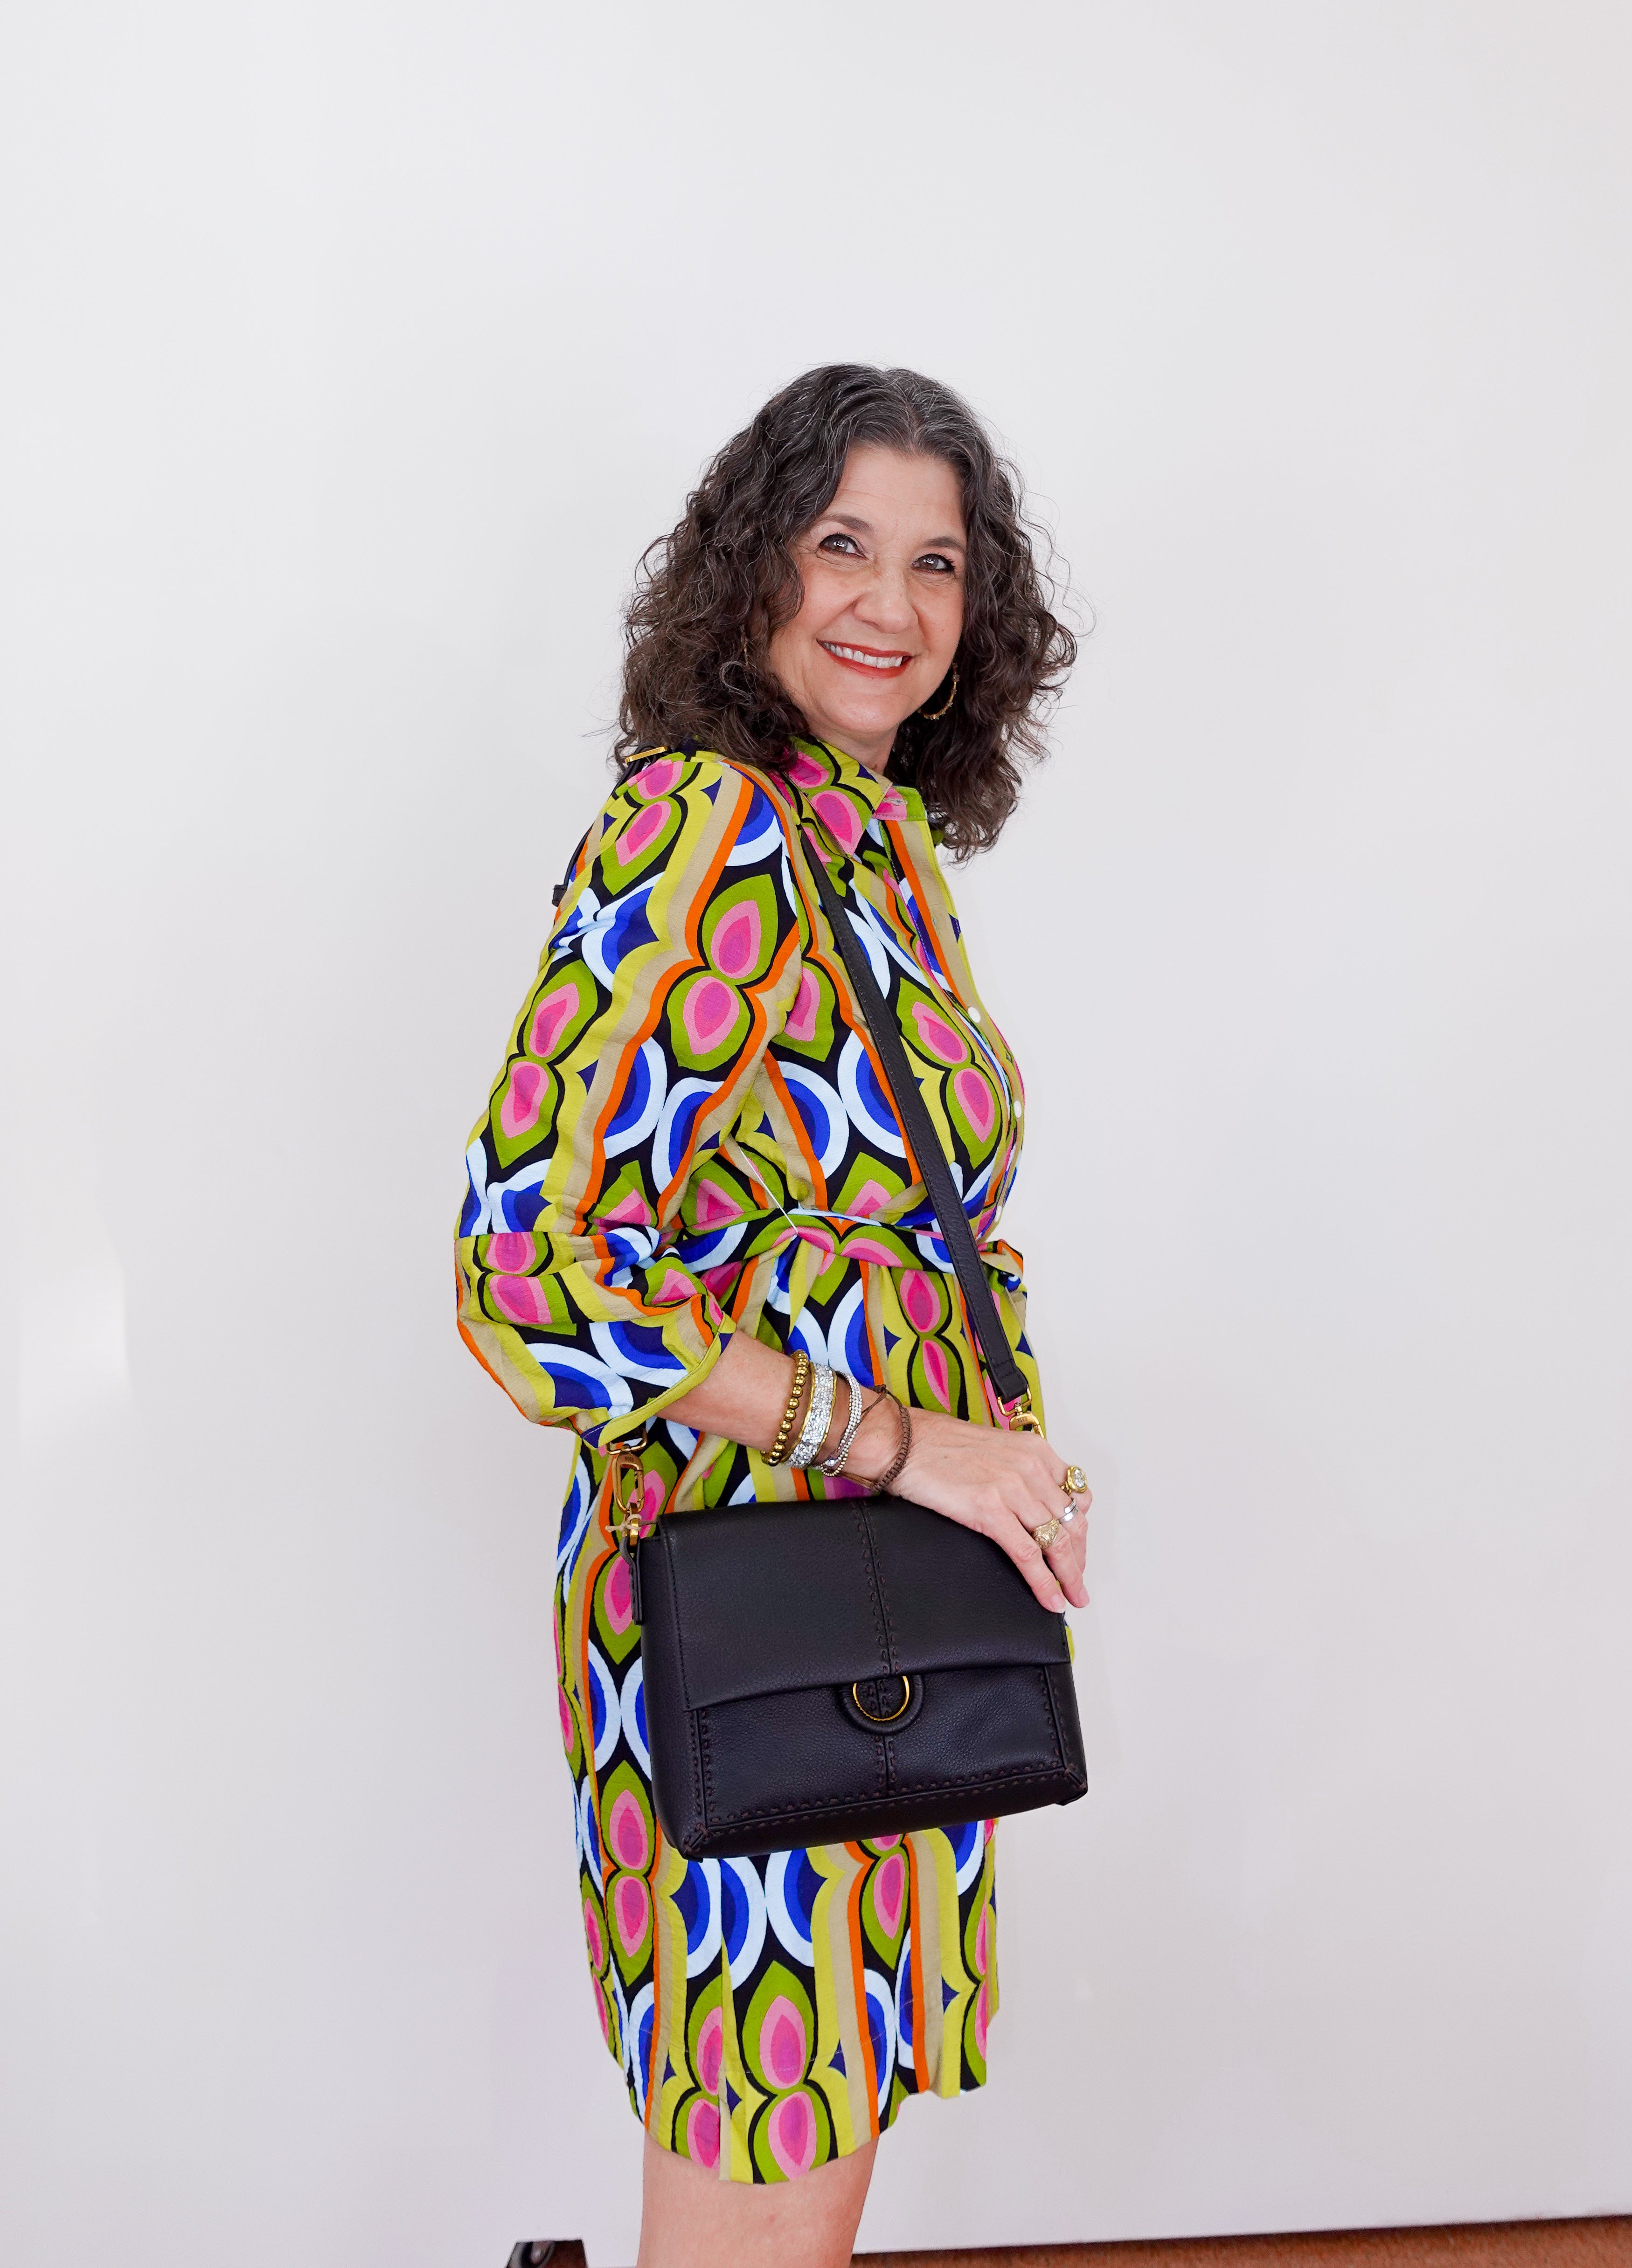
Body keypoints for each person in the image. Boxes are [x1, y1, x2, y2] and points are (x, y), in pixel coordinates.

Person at [456, 364, 1091, 2268]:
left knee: (811, 2164)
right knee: (759, 2151)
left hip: (895, 1595)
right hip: (754, 1594)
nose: (888, 602)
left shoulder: (873, 849)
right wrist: (897, 1437)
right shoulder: (701, 833)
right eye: (841, 545)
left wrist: (995, 1462)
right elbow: (525, 1274)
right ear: (752, 574)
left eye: (937, 563)